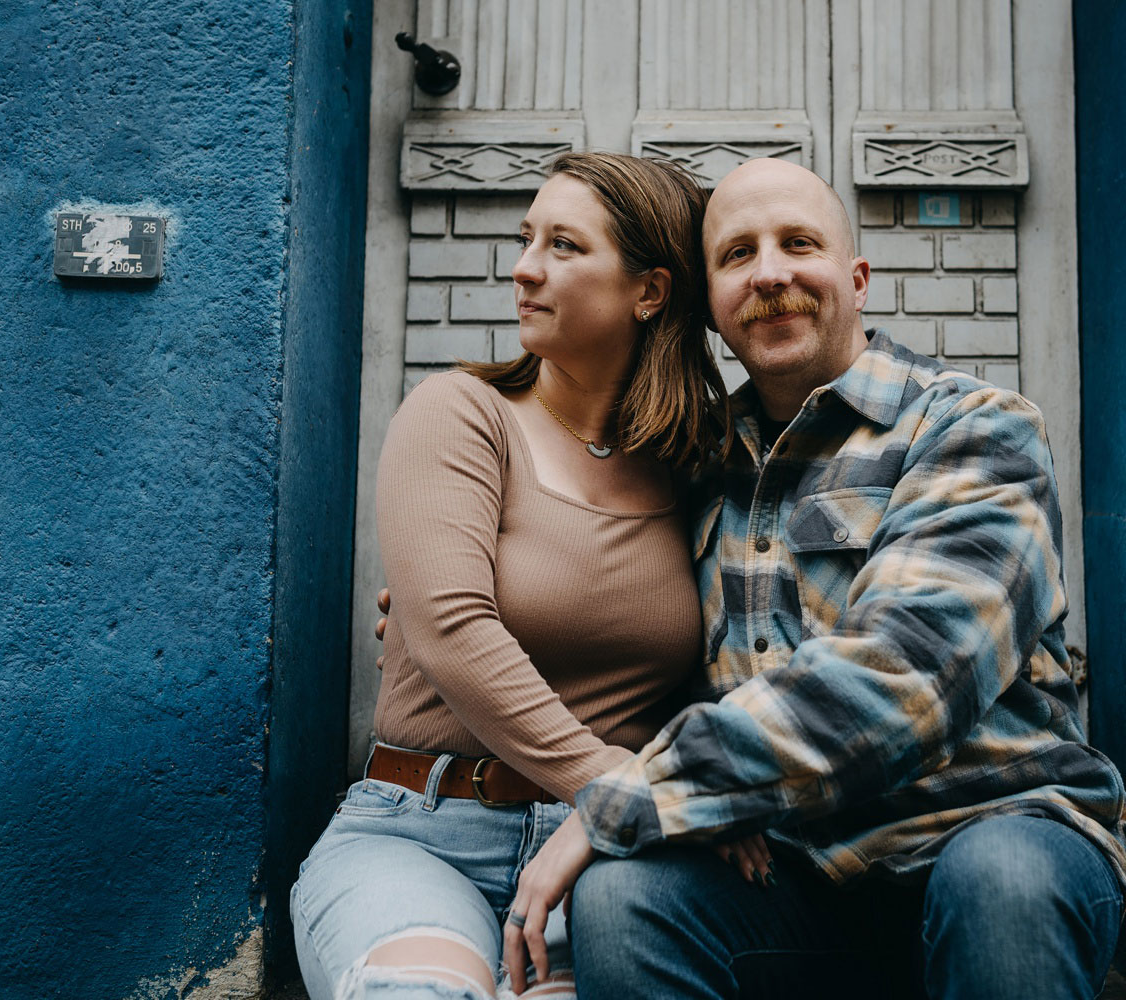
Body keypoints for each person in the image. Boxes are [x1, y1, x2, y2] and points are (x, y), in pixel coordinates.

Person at [501, 158, 1126, 1000]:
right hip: (799, 868)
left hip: (993, 825)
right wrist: (462, 602)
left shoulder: (971, 428)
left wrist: (625, 798)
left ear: (858, 277)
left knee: (1001, 883)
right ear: (713, 310)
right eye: (736, 256)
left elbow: (908, 680)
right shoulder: (696, 467)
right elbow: (614, 621)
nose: (770, 274)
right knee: (624, 897)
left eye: (798, 243)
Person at [291, 152, 769, 1000]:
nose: (523, 266)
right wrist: (628, 789)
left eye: (562, 245)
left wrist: (676, 792)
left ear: (649, 291)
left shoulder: (696, 466)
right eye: (526, 239)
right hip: (421, 831)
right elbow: (452, 629)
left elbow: (747, 648)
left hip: (601, 861)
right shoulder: (462, 415)